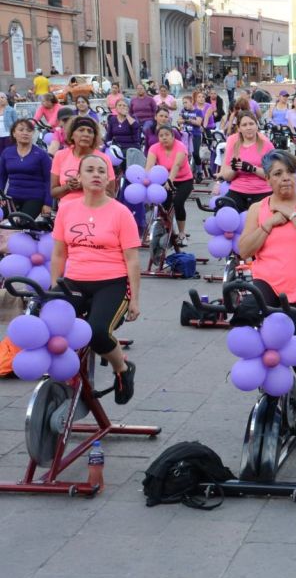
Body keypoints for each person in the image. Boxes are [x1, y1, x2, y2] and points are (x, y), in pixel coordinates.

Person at [236, 150, 296, 421]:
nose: (285, 178)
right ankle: (263, 376)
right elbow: (244, 250)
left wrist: (294, 217)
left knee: (292, 346)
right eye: (278, 174)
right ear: (267, 179)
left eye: (290, 172)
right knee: (247, 313)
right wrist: (269, 224)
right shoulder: (258, 209)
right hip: (268, 282)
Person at [50, 154, 139, 403]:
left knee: (97, 332)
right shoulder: (66, 209)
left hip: (111, 282)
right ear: (78, 177)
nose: (96, 175)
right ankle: (64, 377)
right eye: (89, 170)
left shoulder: (120, 213)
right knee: (48, 323)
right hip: (75, 281)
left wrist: (135, 301)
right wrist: (54, 285)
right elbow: (58, 253)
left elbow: (132, 260)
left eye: (101, 171)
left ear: (108, 178)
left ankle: (122, 369)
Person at [145, 125, 194, 239]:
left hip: (184, 180)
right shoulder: (154, 148)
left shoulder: (180, 146)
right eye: (161, 136)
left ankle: (181, 232)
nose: (164, 138)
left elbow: (176, 166)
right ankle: (160, 229)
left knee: (178, 202)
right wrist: (146, 180)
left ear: (173, 136)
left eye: (167, 135)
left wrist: (169, 181)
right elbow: (149, 166)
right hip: (163, 179)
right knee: (162, 204)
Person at [50, 117, 115, 203]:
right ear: (72, 135)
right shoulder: (60, 155)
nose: (86, 134)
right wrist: (68, 187)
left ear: (94, 137)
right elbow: (54, 192)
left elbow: (110, 194)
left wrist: (86, 186)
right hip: (67, 210)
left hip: (95, 209)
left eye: (90, 131)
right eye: (81, 130)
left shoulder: (103, 158)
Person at [218, 111, 273, 210]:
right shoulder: (234, 146)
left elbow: (272, 175)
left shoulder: (267, 145)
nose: (248, 128)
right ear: (239, 128)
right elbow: (227, 177)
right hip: (238, 190)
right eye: (244, 125)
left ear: (257, 126)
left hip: (262, 191)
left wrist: (252, 169)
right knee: (222, 210)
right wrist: (234, 169)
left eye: (251, 124)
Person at [0, 118, 53, 218]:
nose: (25, 133)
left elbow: (49, 180)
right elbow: (1, 177)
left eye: (29, 131)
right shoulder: (7, 153)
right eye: (21, 130)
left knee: (22, 223)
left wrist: (48, 203)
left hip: (34, 198)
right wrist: (0, 196)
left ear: (33, 133)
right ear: (14, 133)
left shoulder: (41, 155)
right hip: (11, 197)